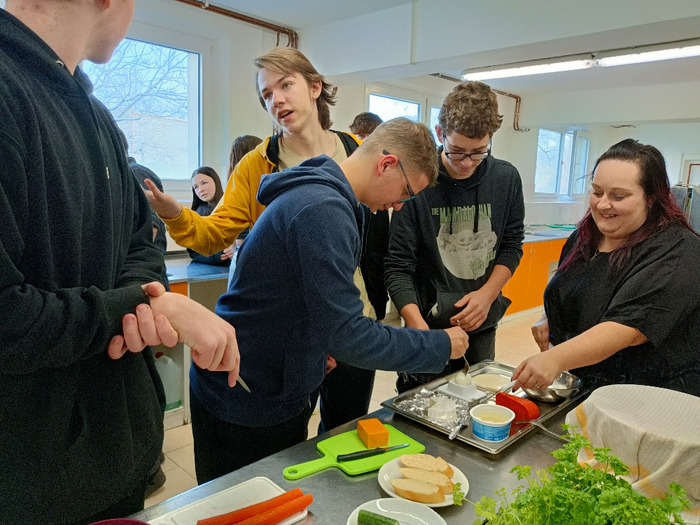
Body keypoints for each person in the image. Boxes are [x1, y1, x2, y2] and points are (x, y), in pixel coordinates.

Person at [0, 2, 240, 523]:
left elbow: (143, 240)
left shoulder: (97, 114)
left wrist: (140, 305)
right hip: (32, 486)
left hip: (115, 460)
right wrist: (142, 308)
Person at [188, 117, 469, 483]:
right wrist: (439, 344)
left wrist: (312, 345)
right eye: (406, 192)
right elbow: (348, 334)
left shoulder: (332, 200)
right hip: (247, 392)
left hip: (270, 379)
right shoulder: (323, 209)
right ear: (386, 164)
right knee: (241, 502)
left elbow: (304, 298)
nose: (400, 206)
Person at [146, 47, 380, 435]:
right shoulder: (257, 164)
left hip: (352, 320)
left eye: (285, 86)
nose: (277, 100)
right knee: (294, 438)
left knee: (348, 432)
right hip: (296, 338)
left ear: (315, 87)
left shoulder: (355, 149)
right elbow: (213, 235)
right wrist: (174, 213)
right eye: (267, 94)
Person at [513, 139, 700, 396]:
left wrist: (554, 359)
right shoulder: (585, 237)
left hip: (650, 394)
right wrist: (551, 316)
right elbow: (572, 287)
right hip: (588, 384)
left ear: (651, 198)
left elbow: (628, 328)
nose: (602, 205)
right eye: (597, 192)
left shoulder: (678, 249)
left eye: (618, 196)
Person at [385, 81, 525, 393]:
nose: (466, 163)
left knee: (475, 397)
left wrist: (487, 295)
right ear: (440, 133)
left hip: (481, 322)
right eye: (457, 151)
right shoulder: (418, 181)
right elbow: (397, 266)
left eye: (478, 153)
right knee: (420, 401)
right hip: (426, 324)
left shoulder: (506, 178)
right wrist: (417, 327)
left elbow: (512, 246)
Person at [188, 166, 232, 266]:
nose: (201, 190)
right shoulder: (198, 213)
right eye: (196, 187)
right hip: (216, 267)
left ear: (216, 181)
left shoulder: (232, 206)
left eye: (204, 183)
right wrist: (214, 257)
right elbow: (193, 252)